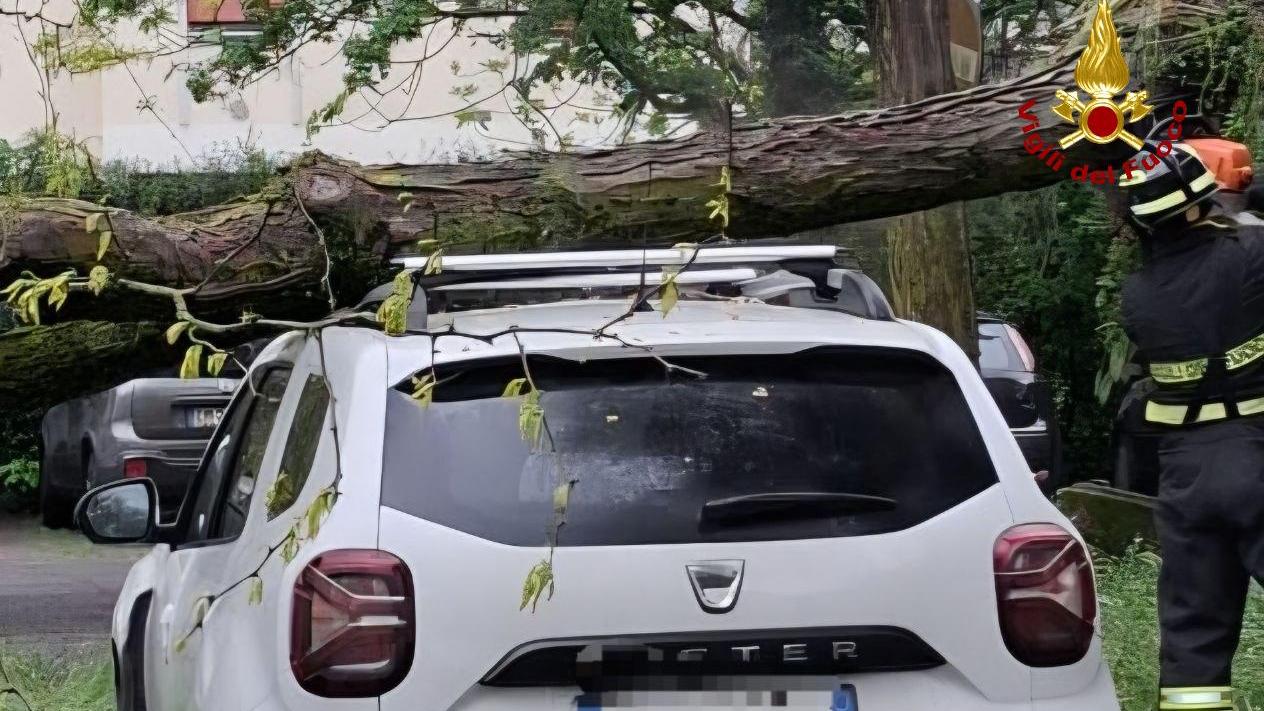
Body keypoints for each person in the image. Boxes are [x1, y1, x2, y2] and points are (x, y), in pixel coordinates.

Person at [1119, 133, 1263, 711]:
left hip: (1187, 476)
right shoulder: (1251, 256)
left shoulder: (1138, 296)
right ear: (1205, 197)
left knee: (1193, 639)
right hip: (1256, 452)